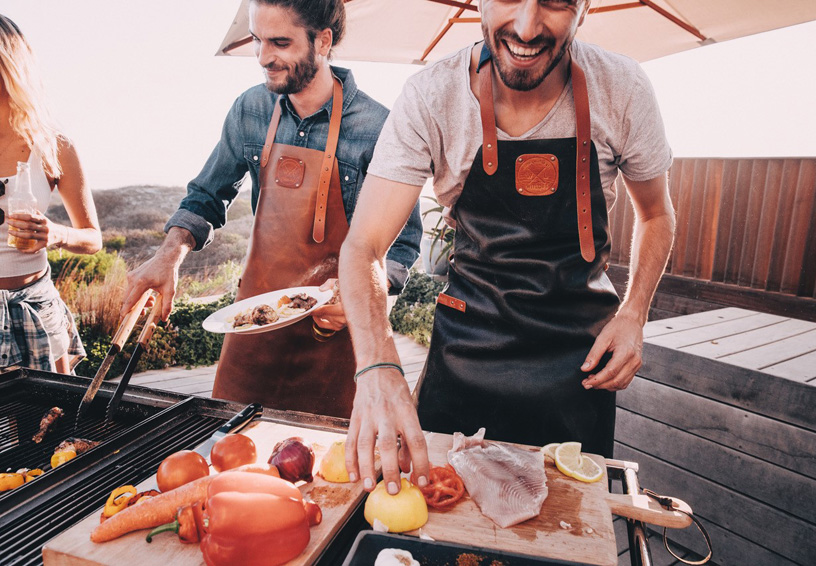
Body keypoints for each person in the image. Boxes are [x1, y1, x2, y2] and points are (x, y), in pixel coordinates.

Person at [340, 0, 676, 494]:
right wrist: (377, 361)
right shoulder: (432, 96)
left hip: (577, 369)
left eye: (556, 2)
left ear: (583, 7)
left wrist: (634, 314)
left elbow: (657, 215)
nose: (525, 26)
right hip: (464, 362)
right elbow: (363, 246)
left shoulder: (622, 88)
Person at [121, 0, 421, 417]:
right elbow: (207, 196)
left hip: (332, 336)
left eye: (280, 42)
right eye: (258, 41)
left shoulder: (377, 128)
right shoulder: (250, 110)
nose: (264, 58)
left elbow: (403, 242)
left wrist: (365, 295)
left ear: (324, 40)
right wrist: (169, 253)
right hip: (253, 330)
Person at [0, 14, 102, 374]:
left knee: (47, 424)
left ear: (10, 66)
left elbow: (92, 239)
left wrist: (55, 234)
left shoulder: (53, 145)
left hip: (36, 312)